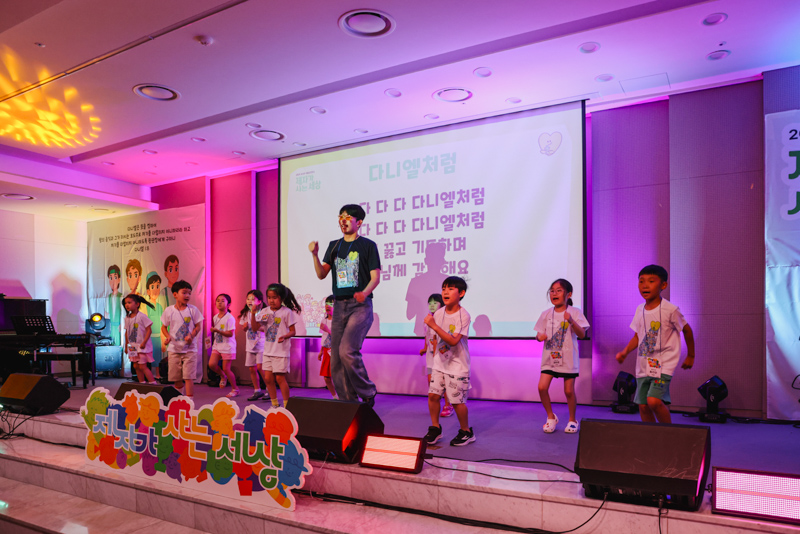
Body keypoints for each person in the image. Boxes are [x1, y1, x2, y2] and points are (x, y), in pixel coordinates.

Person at [309, 204, 380, 405]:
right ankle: (348, 402)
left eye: (348, 217)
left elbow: (375, 278)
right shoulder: (334, 246)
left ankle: (368, 391)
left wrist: (364, 293)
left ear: (359, 222)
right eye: (340, 216)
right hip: (339, 306)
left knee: (347, 351)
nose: (343, 220)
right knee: (336, 359)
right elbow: (321, 274)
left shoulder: (368, 245)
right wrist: (315, 255)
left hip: (360, 306)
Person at [615, 265, 695, 424]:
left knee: (653, 401)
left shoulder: (671, 309)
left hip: (664, 364)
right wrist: (625, 352)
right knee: (643, 406)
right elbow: (638, 336)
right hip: (643, 365)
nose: (645, 285)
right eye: (641, 281)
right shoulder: (640, 310)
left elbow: (687, 330)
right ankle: (651, 435)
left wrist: (691, 355)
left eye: (651, 281)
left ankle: (668, 433)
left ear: (663, 285)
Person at [423, 276, 475, 446]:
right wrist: (434, 357)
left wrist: (433, 325)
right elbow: (435, 339)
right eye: (444, 288)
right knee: (433, 396)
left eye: (451, 289)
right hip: (440, 364)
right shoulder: (439, 313)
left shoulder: (463, 315)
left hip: (457, 366)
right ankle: (435, 428)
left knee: (457, 401)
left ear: (461, 293)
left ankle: (466, 432)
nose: (445, 292)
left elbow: (453, 341)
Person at [534, 279, 590, 434]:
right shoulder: (545, 314)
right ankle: (551, 417)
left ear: (568, 294)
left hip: (568, 359)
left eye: (559, 290)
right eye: (552, 291)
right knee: (542, 387)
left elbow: (582, 334)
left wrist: (571, 320)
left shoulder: (575, 312)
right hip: (549, 358)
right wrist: (539, 337)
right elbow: (538, 334)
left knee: (569, 391)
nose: (554, 293)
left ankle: (572, 420)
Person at [252, 283, 301, 408]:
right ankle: (274, 404)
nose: (271, 300)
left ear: (281, 298)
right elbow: (255, 328)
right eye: (269, 297)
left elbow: (293, 331)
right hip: (268, 351)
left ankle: (287, 405)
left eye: (274, 297)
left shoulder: (286, 312)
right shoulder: (265, 311)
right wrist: (253, 314)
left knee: (280, 378)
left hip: (281, 351)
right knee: (268, 378)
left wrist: (285, 336)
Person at [161, 280, 203, 398]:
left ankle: (190, 401)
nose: (187, 295)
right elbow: (163, 327)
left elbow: (198, 326)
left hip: (190, 349)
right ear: (175, 294)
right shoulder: (169, 310)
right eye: (184, 293)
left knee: (188, 376)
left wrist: (191, 336)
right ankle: (179, 400)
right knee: (176, 377)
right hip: (174, 349)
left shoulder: (193, 310)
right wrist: (168, 336)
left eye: (189, 293)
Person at [420, 294, 453, 417]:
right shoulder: (427, 319)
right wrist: (425, 348)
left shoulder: (444, 319)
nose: (432, 305)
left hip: (442, 355)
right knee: (431, 381)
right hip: (430, 356)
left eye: (435, 302)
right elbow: (427, 335)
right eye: (430, 303)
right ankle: (436, 404)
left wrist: (437, 350)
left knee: (444, 381)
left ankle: (448, 405)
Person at [239, 289, 268, 401]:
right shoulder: (246, 313)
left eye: (252, 299)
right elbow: (244, 328)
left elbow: (266, 329)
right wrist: (245, 327)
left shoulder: (264, 312)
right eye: (248, 299)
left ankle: (269, 390)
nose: (249, 301)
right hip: (250, 344)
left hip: (261, 343)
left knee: (261, 367)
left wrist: (257, 327)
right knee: (252, 368)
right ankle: (257, 390)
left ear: (259, 301)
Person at [208, 293, 238, 398]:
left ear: (228, 304)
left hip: (227, 346)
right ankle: (222, 376)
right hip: (217, 345)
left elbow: (230, 333)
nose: (219, 303)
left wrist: (217, 331)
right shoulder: (215, 317)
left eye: (222, 301)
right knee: (212, 364)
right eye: (218, 301)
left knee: (226, 368)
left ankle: (235, 389)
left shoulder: (230, 318)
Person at [123, 294, 157, 384]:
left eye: (129, 302)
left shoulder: (142, 316)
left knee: (142, 366)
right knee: (136, 366)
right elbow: (127, 332)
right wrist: (126, 346)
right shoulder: (127, 318)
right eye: (126, 303)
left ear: (137, 304)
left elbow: (149, 330)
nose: (127, 305)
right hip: (132, 346)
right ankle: (142, 383)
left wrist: (144, 342)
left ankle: (153, 383)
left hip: (142, 346)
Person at [145, 272, 164, 380]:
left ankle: (158, 374)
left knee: (157, 356)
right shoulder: (146, 306)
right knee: (149, 356)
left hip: (158, 337)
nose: (155, 290)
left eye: (157, 286)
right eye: (152, 287)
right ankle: (149, 374)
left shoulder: (160, 307)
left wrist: (163, 340)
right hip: (149, 337)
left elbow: (162, 324)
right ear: (148, 291)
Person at [317, 295, 337, 399]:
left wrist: (327, 330)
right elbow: (324, 337)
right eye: (326, 303)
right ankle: (335, 397)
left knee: (338, 376)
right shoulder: (324, 320)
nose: (327, 306)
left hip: (336, 351)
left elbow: (338, 338)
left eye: (331, 304)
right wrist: (321, 351)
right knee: (326, 377)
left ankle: (344, 397)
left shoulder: (338, 321)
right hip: (326, 350)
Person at [106, 265, 122, 345]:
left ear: (119, 279)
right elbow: (106, 314)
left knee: (119, 345)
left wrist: (122, 325)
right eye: (110, 278)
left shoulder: (121, 296)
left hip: (119, 327)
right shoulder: (108, 297)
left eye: (115, 277)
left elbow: (124, 314)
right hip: (110, 328)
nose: (113, 281)